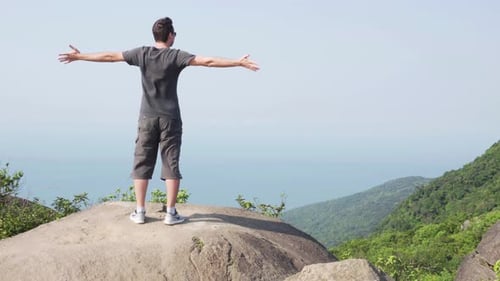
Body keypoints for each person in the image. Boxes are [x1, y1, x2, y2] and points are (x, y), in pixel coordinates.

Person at [58, 17, 259, 225]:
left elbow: (110, 56)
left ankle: (140, 211)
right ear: (170, 36)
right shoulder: (176, 56)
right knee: (171, 162)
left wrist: (79, 56)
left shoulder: (142, 54)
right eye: (174, 34)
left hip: (147, 117)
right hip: (170, 118)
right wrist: (238, 62)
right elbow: (208, 61)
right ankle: (171, 213)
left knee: (142, 161)